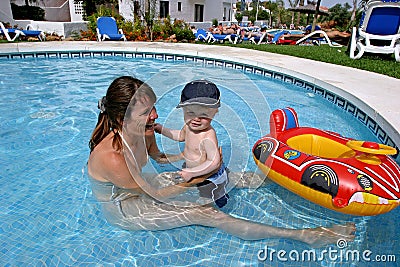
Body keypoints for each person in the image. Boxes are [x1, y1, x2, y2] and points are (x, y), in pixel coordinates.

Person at [87, 75, 356, 246]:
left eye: (154, 106)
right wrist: (200, 177)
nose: (156, 115)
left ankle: (280, 181)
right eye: (147, 112)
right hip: (127, 207)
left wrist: (188, 161)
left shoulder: (143, 131)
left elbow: (158, 158)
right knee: (208, 213)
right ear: (122, 119)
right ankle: (304, 236)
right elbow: (155, 195)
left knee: (231, 176)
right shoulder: (113, 158)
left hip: (144, 186)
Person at [154, 80, 229, 208]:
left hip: (209, 177)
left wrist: (193, 173)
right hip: (193, 170)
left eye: (204, 115)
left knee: (207, 199)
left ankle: (221, 197)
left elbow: (213, 162)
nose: (196, 119)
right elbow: (180, 136)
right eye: (190, 113)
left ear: (214, 112)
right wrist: (162, 130)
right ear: (183, 110)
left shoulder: (208, 135)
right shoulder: (188, 127)